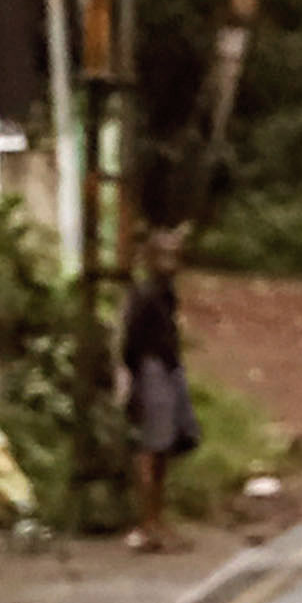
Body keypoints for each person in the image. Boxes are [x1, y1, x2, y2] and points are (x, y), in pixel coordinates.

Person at [119, 233, 196, 554]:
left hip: (168, 367)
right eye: (163, 255)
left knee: (167, 444)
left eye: (174, 255)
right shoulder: (145, 294)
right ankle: (146, 522)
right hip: (152, 371)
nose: (170, 262)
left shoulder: (166, 293)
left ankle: (157, 519)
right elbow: (131, 342)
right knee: (151, 446)